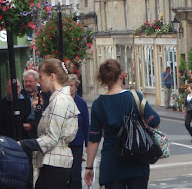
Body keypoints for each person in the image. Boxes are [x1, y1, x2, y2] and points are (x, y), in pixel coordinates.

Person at [84, 59, 161, 189]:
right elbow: (155, 122)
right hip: (137, 160)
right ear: (122, 75)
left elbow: (94, 139)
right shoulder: (135, 97)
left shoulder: (98, 104)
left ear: (102, 78)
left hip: (111, 164)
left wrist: (89, 167)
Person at [19, 59, 80, 189]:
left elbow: (51, 138)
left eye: (41, 76)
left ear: (52, 76)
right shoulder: (58, 99)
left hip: (55, 163)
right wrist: (37, 113)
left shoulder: (60, 101)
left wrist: (22, 144)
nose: (39, 81)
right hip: (54, 163)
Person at [67, 74, 89, 189]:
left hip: (77, 143)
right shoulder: (61, 101)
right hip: (64, 144)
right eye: (67, 86)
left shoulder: (81, 103)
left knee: (75, 173)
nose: (69, 88)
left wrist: (87, 144)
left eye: (71, 86)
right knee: (65, 174)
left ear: (76, 87)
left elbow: (86, 124)